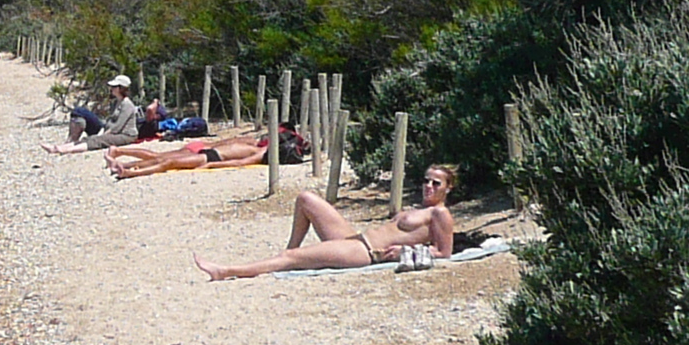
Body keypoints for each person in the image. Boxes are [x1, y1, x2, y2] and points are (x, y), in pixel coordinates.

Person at [196, 164, 459, 275]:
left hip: (365, 252)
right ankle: (291, 249)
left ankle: (227, 271)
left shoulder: (440, 214)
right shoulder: (417, 208)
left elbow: (444, 252)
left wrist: (406, 250)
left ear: (448, 188)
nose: (428, 186)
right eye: (426, 180)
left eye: (436, 183)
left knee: (290, 262)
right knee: (306, 199)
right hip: (355, 239)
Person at [106, 127, 279, 179]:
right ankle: (126, 164)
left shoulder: (256, 145)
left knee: (164, 159)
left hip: (209, 152)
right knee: (162, 158)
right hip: (208, 150)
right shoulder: (255, 144)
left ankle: (127, 167)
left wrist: (212, 164)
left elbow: (240, 162)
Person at [42, 77, 140, 153]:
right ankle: (61, 147)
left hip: (126, 135)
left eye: (114, 87)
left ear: (120, 88)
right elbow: (110, 121)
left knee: (98, 140)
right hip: (115, 131)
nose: (112, 89)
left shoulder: (127, 105)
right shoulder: (117, 102)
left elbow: (118, 127)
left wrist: (103, 134)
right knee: (91, 137)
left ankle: (65, 150)